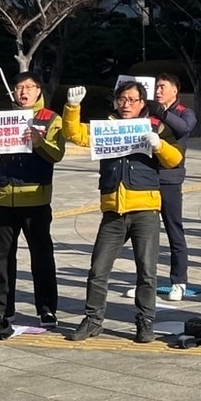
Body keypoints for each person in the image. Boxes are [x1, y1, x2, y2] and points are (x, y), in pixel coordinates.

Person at [63, 80, 182, 344]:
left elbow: (175, 160)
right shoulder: (107, 127)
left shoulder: (155, 126)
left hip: (145, 209)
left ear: (143, 103)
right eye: (121, 99)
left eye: (132, 100)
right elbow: (75, 135)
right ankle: (93, 320)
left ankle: (145, 321)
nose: (126, 105)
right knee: (98, 269)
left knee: (147, 271)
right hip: (113, 211)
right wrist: (72, 107)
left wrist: (159, 145)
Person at [0, 72, 65, 336]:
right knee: (1, 257)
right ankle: (1, 309)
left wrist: (39, 141)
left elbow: (57, 154)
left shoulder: (50, 118)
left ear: (38, 91)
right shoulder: (3, 119)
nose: (22, 92)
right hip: (3, 197)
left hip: (35, 196)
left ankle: (47, 308)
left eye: (28, 87)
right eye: (18, 87)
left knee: (42, 255)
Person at [150, 73, 196, 302]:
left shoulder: (183, 112)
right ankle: (145, 281)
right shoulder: (149, 111)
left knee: (173, 230)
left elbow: (184, 128)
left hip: (169, 178)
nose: (157, 91)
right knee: (145, 232)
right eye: (156, 87)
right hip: (145, 177)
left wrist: (161, 112)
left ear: (174, 90)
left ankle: (179, 281)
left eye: (162, 87)